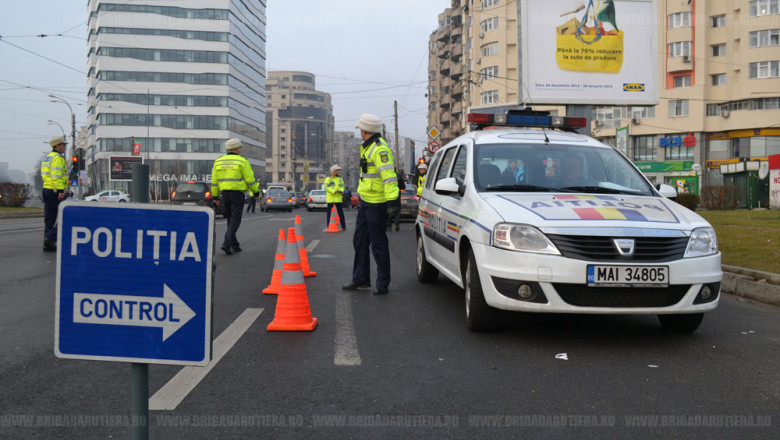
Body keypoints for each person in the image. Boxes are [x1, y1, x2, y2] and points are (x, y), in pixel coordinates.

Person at [342, 113, 399, 295]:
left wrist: (391, 202)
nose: (359, 132)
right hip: (366, 203)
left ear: (366, 130)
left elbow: (389, 177)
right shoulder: (367, 148)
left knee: (378, 244)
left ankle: (382, 282)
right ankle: (361, 279)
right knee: (359, 241)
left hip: (377, 204)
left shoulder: (380, 150)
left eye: (360, 129)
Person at [211, 139, 259, 255]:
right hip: (237, 194)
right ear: (237, 149)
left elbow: (214, 181)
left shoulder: (218, 161)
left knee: (230, 219)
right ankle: (226, 244)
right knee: (235, 219)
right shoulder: (242, 161)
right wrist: (256, 192)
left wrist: (215, 197)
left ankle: (235, 245)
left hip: (224, 194)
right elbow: (250, 179)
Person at [41, 136, 69, 251]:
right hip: (55, 191)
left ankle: (48, 244)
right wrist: (60, 191)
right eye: (63, 145)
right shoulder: (57, 158)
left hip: (46, 189)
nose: (64, 147)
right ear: (57, 146)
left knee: (50, 217)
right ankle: (50, 237)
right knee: (66, 214)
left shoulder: (48, 157)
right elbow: (56, 175)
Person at [324, 164, 346, 230]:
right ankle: (329, 226)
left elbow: (343, 186)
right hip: (331, 198)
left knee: (341, 213)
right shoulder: (328, 178)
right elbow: (326, 187)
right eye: (338, 170)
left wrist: (341, 190)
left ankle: (343, 226)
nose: (339, 171)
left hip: (338, 198)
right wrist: (334, 191)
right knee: (329, 214)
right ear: (334, 171)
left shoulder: (340, 178)